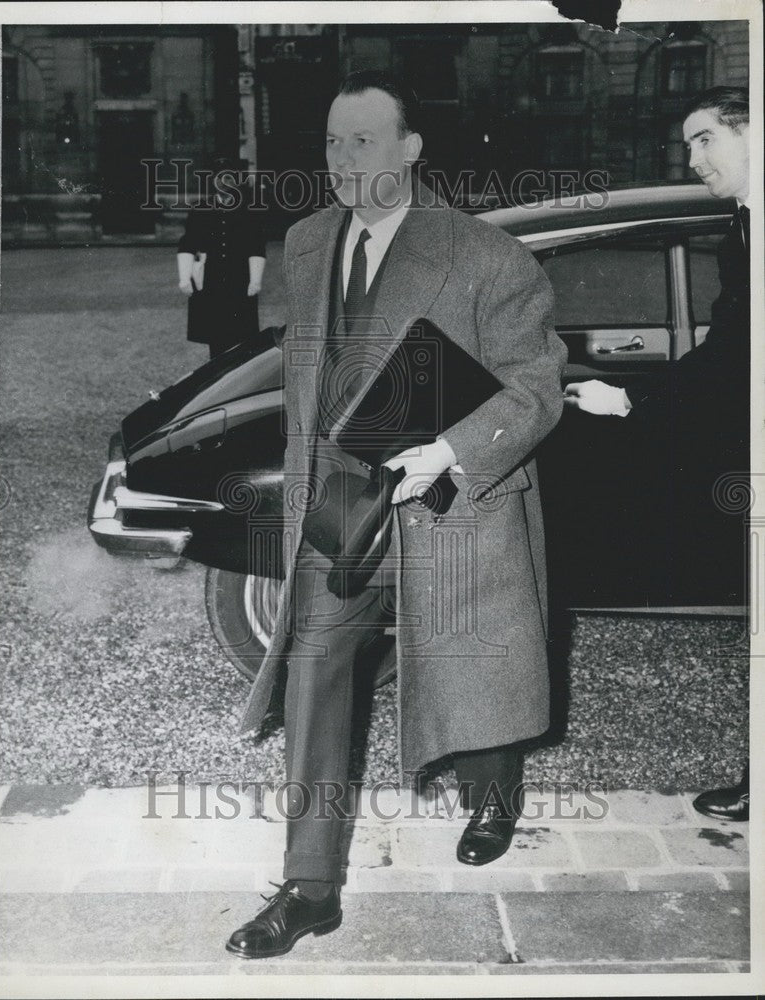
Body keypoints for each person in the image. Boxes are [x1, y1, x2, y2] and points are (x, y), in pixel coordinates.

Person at [225, 71, 566, 959]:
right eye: (333, 143)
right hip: (340, 506)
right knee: (314, 671)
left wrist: (448, 451)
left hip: (448, 498)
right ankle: (308, 887)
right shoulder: (303, 245)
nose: (343, 161)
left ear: (412, 150)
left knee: (466, 661)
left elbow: (534, 388)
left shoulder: (488, 256)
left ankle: (492, 789)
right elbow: (299, 372)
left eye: (364, 140)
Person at [564, 86, 751, 822]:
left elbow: (734, 361)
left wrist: (634, 402)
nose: (692, 158)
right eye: (688, 143)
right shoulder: (743, 224)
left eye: (706, 139)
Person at [177, 157, 266, 358]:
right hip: (210, 283)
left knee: (243, 341)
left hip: (240, 282)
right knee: (216, 341)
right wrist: (184, 277)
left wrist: (255, 280)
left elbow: (257, 245)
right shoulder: (201, 209)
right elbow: (188, 242)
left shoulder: (249, 211)